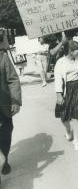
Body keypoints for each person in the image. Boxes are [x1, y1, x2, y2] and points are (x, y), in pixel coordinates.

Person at [54, 40, 78, 150]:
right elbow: (58, 79)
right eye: (77, 49)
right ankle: (68, 131)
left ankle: (76, 140)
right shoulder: (60, 62)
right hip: (65, 89)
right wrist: (59, 94)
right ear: (70, 51)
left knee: (77, 114)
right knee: (64, 115)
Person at [0, 48, 21, 180]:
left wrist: (15, 101)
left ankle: (4, 157)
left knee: (5, 135)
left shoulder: (2, 57)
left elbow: (13, 80)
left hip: (2, 105)